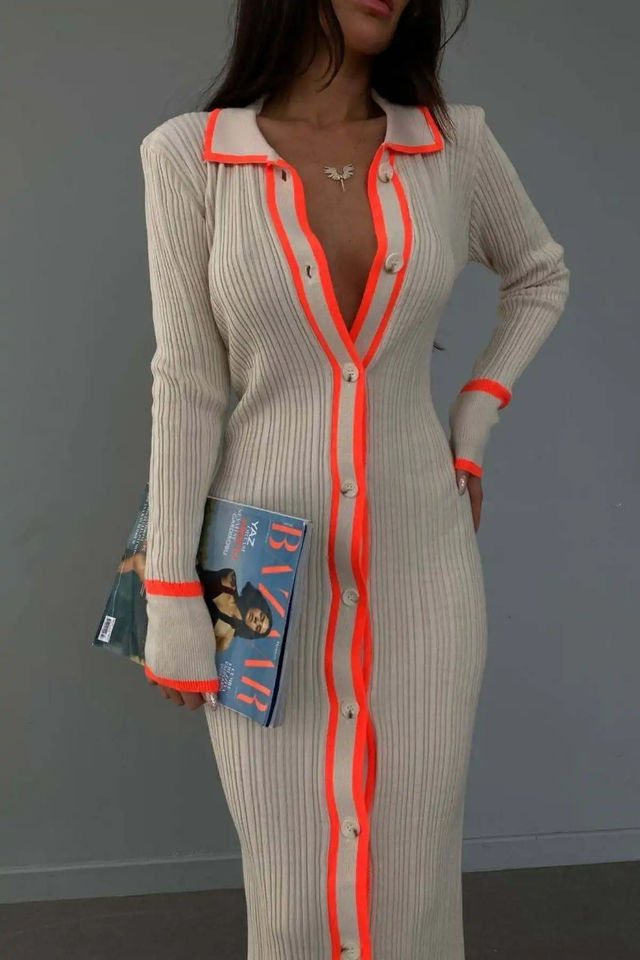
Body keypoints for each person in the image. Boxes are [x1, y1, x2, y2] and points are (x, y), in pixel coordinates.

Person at [138, 0, 570, 957]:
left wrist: (475, 415)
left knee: (413, 867)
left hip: (424, 556)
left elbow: (539, 274)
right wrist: (170, 590)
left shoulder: (451, 146)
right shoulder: (190, 156)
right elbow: (188, 381)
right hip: (258, 576)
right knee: (289, 877)